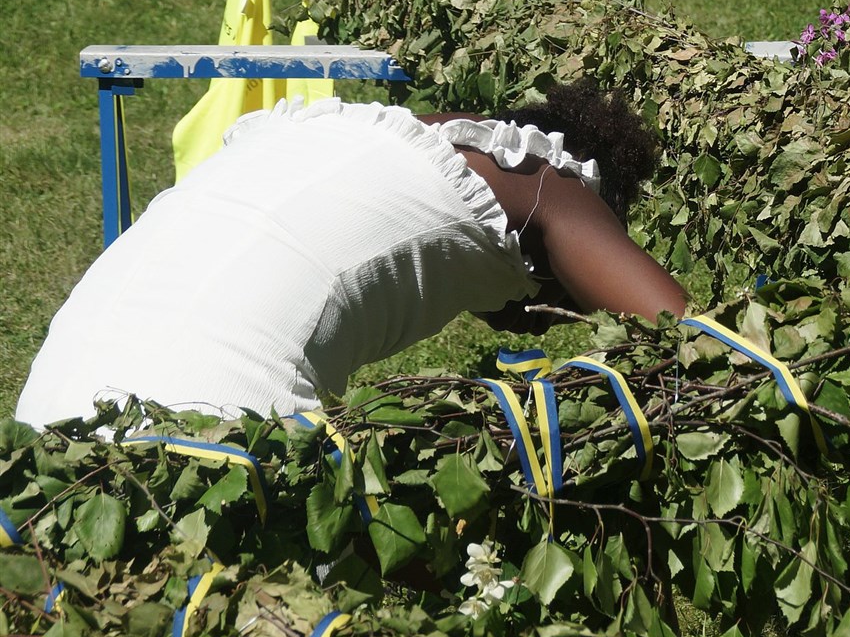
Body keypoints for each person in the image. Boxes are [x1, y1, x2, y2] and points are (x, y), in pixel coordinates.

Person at [14, 86, 688, 429]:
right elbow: (700, 345)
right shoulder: (551, 181)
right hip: (204, 412)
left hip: (52, 407)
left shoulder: (332, 134)